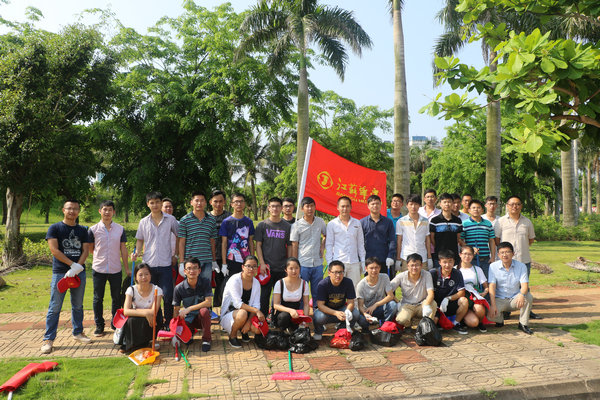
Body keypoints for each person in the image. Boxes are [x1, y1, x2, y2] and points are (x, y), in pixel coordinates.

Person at [41, 199, 93, 354]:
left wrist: (77, 267)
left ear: (78, 211)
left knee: (78, 305)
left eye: (75, 209)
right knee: (55, 307)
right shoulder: (55, 228)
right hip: (60, 273)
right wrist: (71, 265)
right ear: (63, 210)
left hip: (79, 273)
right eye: (69, 208)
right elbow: (54, 250)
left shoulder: (83, 230)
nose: (72, 211)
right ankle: (48, 339)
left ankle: (78, 332)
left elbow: (85, 250)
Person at [132, 192, 179, 327]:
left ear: (161, 203)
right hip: (149, 265)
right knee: (152, 296)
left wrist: (176, 255)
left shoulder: (170, 220)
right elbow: (140, 240)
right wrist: (137, 252)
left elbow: (179, 236)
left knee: (168, 295)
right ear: (148, 204)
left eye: (157, 202)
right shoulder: (143, 222)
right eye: (152, 203)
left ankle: (169, 323)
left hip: (166, 264)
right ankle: (157, 323)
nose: (155, 205)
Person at [494, 195, 540, 320]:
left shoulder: (527, 222)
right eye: (512, 204)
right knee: (504, 285)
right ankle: (506, 310)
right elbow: (497, 240)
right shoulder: (501, 221)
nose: (515, 206)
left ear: (521, 206)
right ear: (507, 206)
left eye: (518, 204)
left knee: (524, 285)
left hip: (523, 260)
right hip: (505, 261)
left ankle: (527, 310)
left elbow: (530, 239)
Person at [88, 200, 130, 337]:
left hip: (115, 269)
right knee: (97, 298)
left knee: (116, 298)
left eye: (110, 210)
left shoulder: (120, 229)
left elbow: (123, 249)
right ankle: (99, 325)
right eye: (104, 209)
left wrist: (127, 268)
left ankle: (115, 323)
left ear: (114, 212)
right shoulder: (93, 229)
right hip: (98, 269)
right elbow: (90, 249)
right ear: (100, 211)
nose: (107, 212)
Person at [255, 197, 292, 316]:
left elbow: (290, 246)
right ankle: (263, 319)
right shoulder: (262, 225)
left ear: (281, 208)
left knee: (280, 295)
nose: (275, 208)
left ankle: (277, 319)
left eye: (278, 206)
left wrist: (289, 264)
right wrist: (262, 263)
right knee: (264, 295)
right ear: (269, 208)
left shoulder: (287, 226)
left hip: (282, 267)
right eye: (273, 206)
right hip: (266, 268)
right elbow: (258, 246)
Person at [487, 242, 534, 335]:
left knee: (528, 297)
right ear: (498, 255)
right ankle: (499, 320)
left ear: (513, 253)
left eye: (508, 252)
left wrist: (521, 295)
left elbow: (525, 285)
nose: (505, 255)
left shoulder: (521, 266)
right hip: (499, 299)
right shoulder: (493, 266)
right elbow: (492, 286)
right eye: (502, 252)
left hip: (515, 299)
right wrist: (493, 305)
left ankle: (523, 324)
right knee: (488, 315)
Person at [220, 255, 264, 348]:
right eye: (248, 266)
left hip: (247, 314)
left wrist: (248, 323)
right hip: (230, 314)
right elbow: (237, 304)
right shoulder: (234, 280)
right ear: (243, 267)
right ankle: (232, 336)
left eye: (254, 266)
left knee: (257, 330)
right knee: (242, 313)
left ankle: (243, 330)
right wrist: (256, 311)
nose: (251, 269)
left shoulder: (256, 283)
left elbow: (256, 305)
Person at [313, 261, 364, 340]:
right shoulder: (323, 284)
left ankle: (342, 329)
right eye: (335, 272)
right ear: (329, 273)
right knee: (319, 317)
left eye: (340, 272)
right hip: (326, 311)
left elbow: (351, 302)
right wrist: (335, 313)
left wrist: (347, 311)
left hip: (341, 309)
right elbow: (320, 305)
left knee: (355, 313)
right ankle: (318, 331)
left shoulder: (348, 282)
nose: (338, 275)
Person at [290, 196, 327, 309]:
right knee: (302, 291)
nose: (310, 209)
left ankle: (317, 312)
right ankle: (301, 313)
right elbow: (294, 245)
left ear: (315, 207)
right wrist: (295, 265)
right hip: (303, 264)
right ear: (302, 209)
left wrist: (322, 246)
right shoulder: (296, 225)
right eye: (307, 206)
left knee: (318, 291)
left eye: (312, 206)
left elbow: (326, 235)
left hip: (317, 263)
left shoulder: (320, 222)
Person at [119, 263, 163, 353]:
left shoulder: (157, 290)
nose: (144, 277)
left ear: (150, 275)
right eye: (140, 275)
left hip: (151, 319)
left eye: (146, 274)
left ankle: (150, 341)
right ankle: (132, 344)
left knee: (153, 317)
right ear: (135, 277)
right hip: (137, 318)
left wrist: (146, 313)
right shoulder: (131, 290)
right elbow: (126, 311)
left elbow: (154, 311)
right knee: (131, 320)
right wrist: (145, 313)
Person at [173, 257, 213, 352]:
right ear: (184, 271)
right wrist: (175, 332)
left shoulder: (205, 282)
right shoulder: (179, 288)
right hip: (189, 318)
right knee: (185, 337)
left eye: (195, 268)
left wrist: (189, 308)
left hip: (202, 318)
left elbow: (208, 302)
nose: (192, 271)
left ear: (199, 271)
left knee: (204, 311)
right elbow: (176, 310)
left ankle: (206, 340)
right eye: (189, 268)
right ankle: (189, 333)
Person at [177, 191, 218, 284]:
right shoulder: (185, 220)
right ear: (191, 202)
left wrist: (213, 261)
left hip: (207, 261)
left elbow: (212, 242)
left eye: (202, 200)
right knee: (190, 288)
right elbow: (181, 242)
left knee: (205, 288)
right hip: (190, 262)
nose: (199, 203)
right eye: (197, 200)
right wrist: (181, 262)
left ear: (205, 202)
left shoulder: (211, 220)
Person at [325, 196, 366, 288]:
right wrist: (330, 263)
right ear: (338, 207)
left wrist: (363, 261)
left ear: (351, 207)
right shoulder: (332, 224)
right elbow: (329, 245)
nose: (345, 209)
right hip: (338, 261)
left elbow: (360, 244)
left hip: (354, 262)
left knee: (355, 289)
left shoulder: (357, 223)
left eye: (347, 206)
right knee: (338, 289)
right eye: (342, 206)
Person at [391, 253, 437, 328]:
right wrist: (397, 301)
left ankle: (424, 325)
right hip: (407, 305)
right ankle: (411, 324)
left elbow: (431, 293)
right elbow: (388, 290)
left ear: (421, 265)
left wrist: (426, 305)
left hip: (422, 304)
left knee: (433, 304)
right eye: (412, 265)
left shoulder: (427, 274)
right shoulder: (401, 276)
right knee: (401, 319)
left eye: (417, 265)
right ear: (407, 266)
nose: (414, 268)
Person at [430, 250, 469, 334]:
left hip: (449, 304)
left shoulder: (457, 273)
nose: (447, 265)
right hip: (435, 305)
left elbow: (462, 292)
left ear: (454, 262)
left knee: (464, 301)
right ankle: (438, 323)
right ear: (439, 262)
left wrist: (448, 299)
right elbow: (428, 292)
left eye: (450, 262)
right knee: (433, 325)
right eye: (444, 262)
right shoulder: (433, 273)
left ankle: (456, 324)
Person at [219, 193, 255, 279]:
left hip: (246, 260)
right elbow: (224, 243)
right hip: (231, 259)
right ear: (231, 204)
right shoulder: (226, 222)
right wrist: (224, 263)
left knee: (246, 282)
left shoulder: (249, 222)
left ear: (244, 203)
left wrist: (252, 259)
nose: (239, 204)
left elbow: (250, 241)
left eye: (241, 201)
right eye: (236, 202)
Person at [360, 195, 396, 275]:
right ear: (368, 206)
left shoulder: (388, 222)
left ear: (380, 205)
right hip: (368, 260)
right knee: (370, 282)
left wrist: (390, 256)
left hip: (384, 260)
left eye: (377, 203)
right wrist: (361, 259)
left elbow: (392, 240)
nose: (375, 206)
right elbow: (359, 242)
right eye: (372, 204)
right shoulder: (362, 222)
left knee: (385, 281)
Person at [272, 257, 310, 332]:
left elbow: (306, 304)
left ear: (300, 269)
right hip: (282, 313)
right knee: (284, 317)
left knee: (299, 332)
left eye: (296, 268)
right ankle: (282, 331)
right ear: (286, 270)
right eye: (291, 268)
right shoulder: (280, 283)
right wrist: (290, 311)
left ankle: (291, 330)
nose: (294, 271)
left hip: (296, 314)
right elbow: (275, 305)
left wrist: (305, 320)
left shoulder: (304, 284)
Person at [396, 194, 432, 272]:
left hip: (422, 257)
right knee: (406, 279)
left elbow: (427, 240)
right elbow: (399, 241)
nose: (413, 207)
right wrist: (398, 259)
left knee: (423, 278)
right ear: (407, 205)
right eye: (411, 204)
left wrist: (429, 258)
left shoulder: (425, 221)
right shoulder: (401, 221)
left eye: (416, 204)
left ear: (419, 205)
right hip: (406, 257)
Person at [356, 257, 397, 326]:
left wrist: (376, 305)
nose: (374, 270)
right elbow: (360, 306)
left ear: (380, 268)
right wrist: (365, 314)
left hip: (381, 307)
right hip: (368, 310)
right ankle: (370, 326)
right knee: (362, 320)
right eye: (371, 268)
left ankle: (384, 324)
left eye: (376, 267)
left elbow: (390, 296)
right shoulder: (361, 285)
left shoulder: (384, 277)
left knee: (393, 305)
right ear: (366, 269)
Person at [457, 245, 489, 332]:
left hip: (474, 299)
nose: (467, 256)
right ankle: (461, 320)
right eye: (465, 254)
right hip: (461, 300)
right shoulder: (455, 269)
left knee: (478, 312)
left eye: (470, 254)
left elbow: (486, 287)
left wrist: (484, 293)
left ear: (473, 255)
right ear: (460, 254)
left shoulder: (477, 269)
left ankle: (480, 322)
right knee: (473, 322)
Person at [461, 199, 496, 278]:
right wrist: (470, 249)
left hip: (485, 259)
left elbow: (491, 240)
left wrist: (493, 257)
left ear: (482, 210)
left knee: (486, 280)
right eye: (473, 208)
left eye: (478, 207)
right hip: (470, 259)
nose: (476, 209)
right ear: (469, 210)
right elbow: (460, 240)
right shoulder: (464, 224)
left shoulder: (488, 223)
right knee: (472, 280)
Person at [430, 193, 464, 267]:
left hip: (454, 255)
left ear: (452, 204)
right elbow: (432, 238)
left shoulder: (457, 221)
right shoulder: (435, 220)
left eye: (449, 202)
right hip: (439, 255)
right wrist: (439, 247)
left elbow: (459, 238)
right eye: (444, 202)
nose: (447, 204)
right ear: (440, 204)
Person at [209, 190, 231, 307]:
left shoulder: (229, 217)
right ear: (210, 202)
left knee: (223, 284)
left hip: (226, 257)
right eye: (215, 201)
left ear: (225, 202)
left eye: (220, 201)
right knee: (208, 284)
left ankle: (220, 307)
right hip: (209, 256)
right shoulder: (206, 217)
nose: (218, 204)